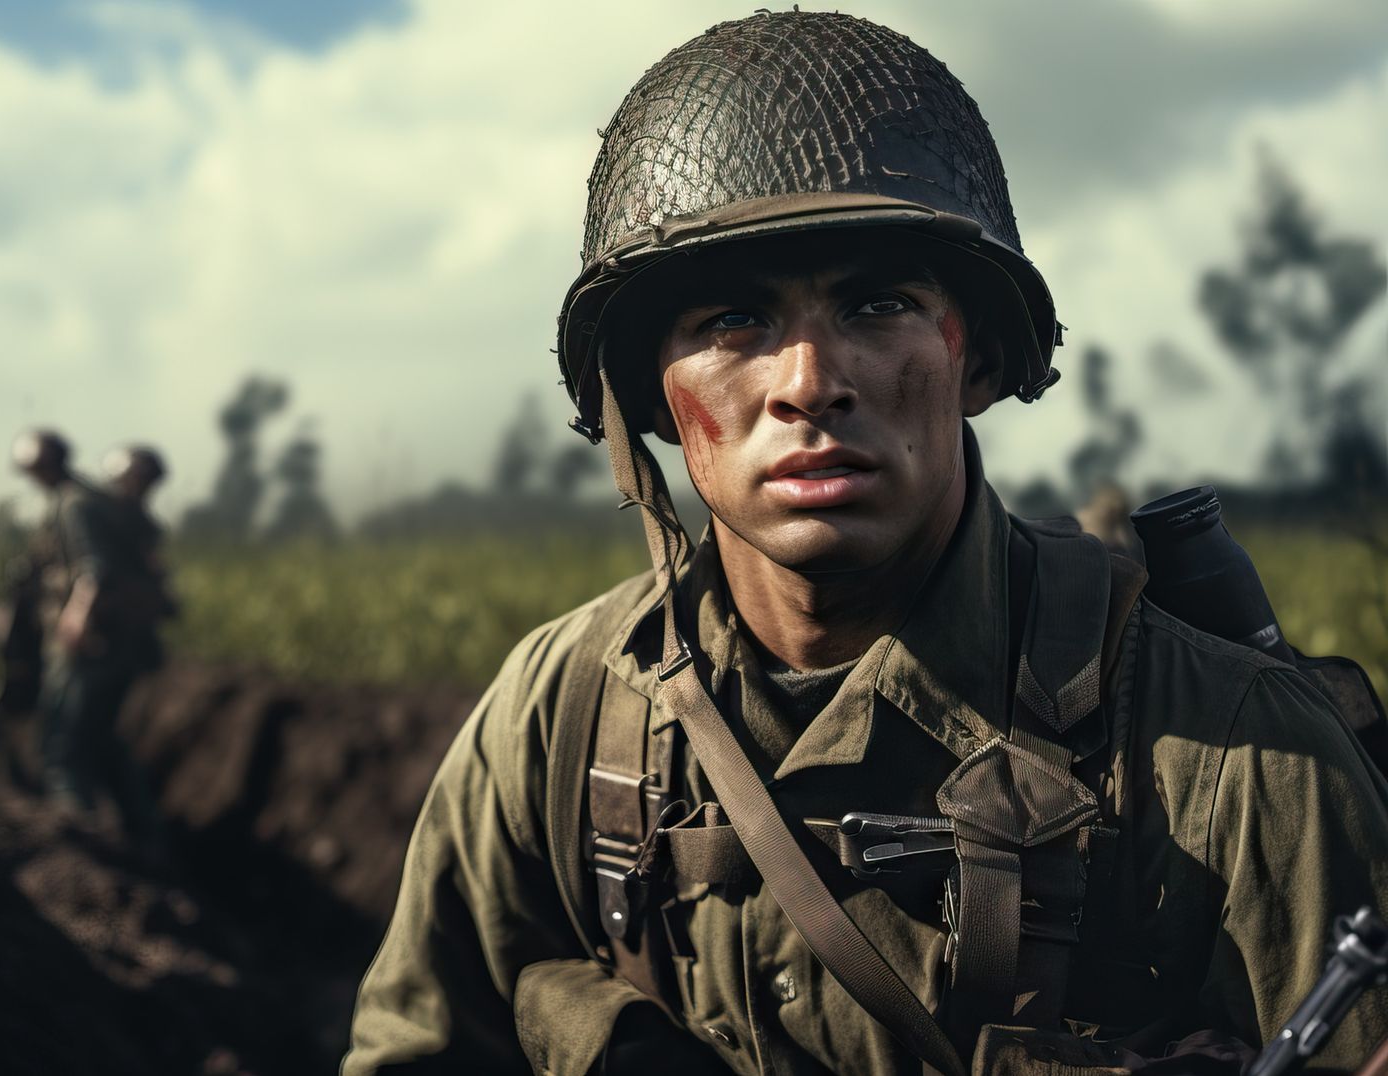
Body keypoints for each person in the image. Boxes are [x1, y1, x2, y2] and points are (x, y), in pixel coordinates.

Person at [344, 13, 1388, 1076]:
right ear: (651, 398)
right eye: (731, 321)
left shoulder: (1232, 752)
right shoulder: (566, 717)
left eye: (879, 303)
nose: (808, 381)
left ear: (975, 361)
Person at [13, 430, 169, 850]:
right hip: (115, 644)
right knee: (101, 741)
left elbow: (95, 568)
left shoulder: (75, 503)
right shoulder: (92, 501)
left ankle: (78, 842)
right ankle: (145, 836)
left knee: (61, 744)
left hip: (91, 646)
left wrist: (76, 618)